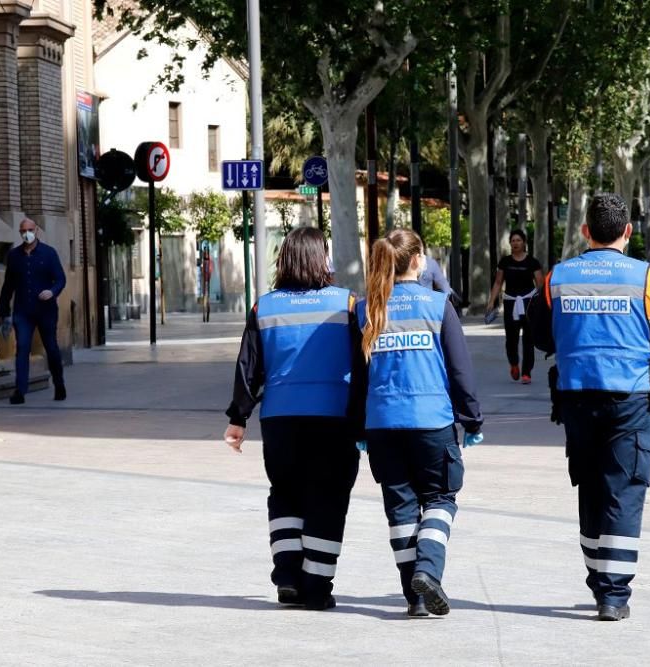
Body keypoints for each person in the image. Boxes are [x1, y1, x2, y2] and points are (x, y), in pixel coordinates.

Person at [528, 193, 650, 622]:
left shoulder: (557, 278)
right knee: (625, 487)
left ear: (585, 231)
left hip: (576, 396)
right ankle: (613, 595)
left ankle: (599, 580)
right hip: (630, 398)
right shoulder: (645, 278)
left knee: (592, 485)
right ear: (628, 231)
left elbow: (540, 337)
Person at [224, 227, 360, 612]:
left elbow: (248, 368)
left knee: (285, 492)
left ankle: (286, 575)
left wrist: (238, 418)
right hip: (334, 417)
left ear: (283, 259)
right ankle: (316, 587)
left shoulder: (263, 307)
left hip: (280, 418)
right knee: (328, 497)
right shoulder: (347, 304)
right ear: (322, 258)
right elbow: (364, 364)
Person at [351, 228, 484, 618]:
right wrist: (472, 421)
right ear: (417, 261)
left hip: (382, 425)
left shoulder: (365, 310)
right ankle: (428, 570)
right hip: (431, 423)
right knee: (440, 499)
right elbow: (460, 372)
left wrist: (359, 429)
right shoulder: (438, 306)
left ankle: (416, 598)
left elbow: (356, 378)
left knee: (401, 510)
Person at [0, 218, 67, 404]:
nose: (27, 233)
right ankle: (20, 390)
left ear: (36, 231)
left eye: (30, 229)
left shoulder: (49, 253)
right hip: (23, 311)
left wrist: (51, 292)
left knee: (51, 347)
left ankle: (59, 384)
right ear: (20, 232)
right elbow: (8, 285)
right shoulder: (14, 256)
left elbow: (60, 279)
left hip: (46, 311)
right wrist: (2, 310)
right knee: (22, 348)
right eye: (23, 230)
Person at [486, 229, 543, 384]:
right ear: (510, 243)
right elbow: (498, 282)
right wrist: (491, 301)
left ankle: (526, 373)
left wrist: (541, 303)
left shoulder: (532, 262)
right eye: (513, 240)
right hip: (510, 302)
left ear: (524, 242)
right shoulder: (505, 262)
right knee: (511, 339)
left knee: (528, 339)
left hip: (528, 302)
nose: (515, 243)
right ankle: (514, 363)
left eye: (518, 240)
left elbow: (540, 284)